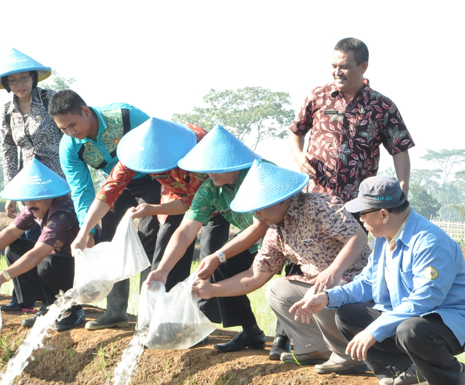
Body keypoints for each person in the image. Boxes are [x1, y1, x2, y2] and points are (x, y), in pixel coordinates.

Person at [192, 160, 371, 374]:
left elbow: (357, 236)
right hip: (321, 285)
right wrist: (212, 290)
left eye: (260, 208)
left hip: (357, 284)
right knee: (277, 290)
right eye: (254, 211)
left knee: (322, 290)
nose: (257, 216)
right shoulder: (276, 230)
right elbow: (256, 275)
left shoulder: (318, 206)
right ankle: (316, 348)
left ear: (282, 200)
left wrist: (334, 270)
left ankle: (347, 354)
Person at [290, 176, 465, 385]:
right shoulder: (384, 238)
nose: (360, 220)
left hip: (448, 320)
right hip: (411, 316)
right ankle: (408, 370)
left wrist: (375, 329)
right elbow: (368, 282)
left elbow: (425, 300)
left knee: (410, 330)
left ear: (383, 214)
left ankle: (454, 376)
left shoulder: (429, 242)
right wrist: (328, 297)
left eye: (363, 214)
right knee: (349, 314)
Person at [145, 125, 270, 352]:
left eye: (218, 166)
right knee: (223, 266)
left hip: (291, 239)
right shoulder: (210, 189)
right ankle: (251, 331)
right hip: (255, 241)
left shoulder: (260, 175)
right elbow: (185, 231)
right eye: (208, 167)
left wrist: (218, 254)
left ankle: (286, 336)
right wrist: (163, 269)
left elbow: (260, 227)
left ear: (234, 161)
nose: (211, 172)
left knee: (292, 279)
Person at [49, 89, 160, 330]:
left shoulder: (128, 117)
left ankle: (149, 315)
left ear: (86, 112)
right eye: (63, 129)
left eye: (72, 125)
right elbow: (81, 190)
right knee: (109, 236)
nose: (71, 133)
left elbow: (160, 148)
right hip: (115, 185)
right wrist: (85, 230)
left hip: (152, 179)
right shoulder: (70, 146)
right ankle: (116, 311)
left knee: (150, 236)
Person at [75, 118, 207, 292]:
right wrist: (84, 233)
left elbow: (196, 202)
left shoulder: (197, 150)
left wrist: (153, 209)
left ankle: (212, 311)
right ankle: (162, 308)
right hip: (177, 194)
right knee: (166, 245)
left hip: (215, 196)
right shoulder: (136, 151)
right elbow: (108, 191)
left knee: (211, 251)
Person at [288, 37, 415, 204]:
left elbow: (399, 148)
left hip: (358, 201)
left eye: (345, 67)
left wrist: (403, 187)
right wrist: (299, 156)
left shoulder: (382, 105)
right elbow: (296, 131)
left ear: (363, 67)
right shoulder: (318, 96)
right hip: (316, 196)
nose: (337, 72)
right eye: (334, 66)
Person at [0, 159, 92, 331]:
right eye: (26, 199)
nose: (29, 204)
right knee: (14, 248)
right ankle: (47, 306)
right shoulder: (34, 205)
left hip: (82, 269)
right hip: (62, 261)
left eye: (34, 198)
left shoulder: (63, 212)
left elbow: (37, 254)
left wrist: (1, 277)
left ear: (49, 194)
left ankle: (73, 310)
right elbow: (11, 232)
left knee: (46, 262)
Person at [0, 48, 60, 311]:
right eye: (13, 81)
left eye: (24, 79)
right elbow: (8, 150)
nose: (19, 85)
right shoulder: (8, 110)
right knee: (27, 237)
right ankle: (26, 298)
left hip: (57, 178)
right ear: (6, 84)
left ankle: (54, 299)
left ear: (33, 78)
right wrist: (11, 190)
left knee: (51, 240)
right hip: (28, 183)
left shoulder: (51, 100)